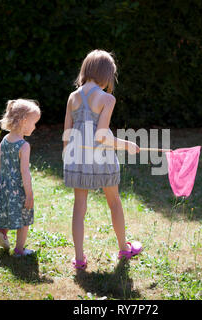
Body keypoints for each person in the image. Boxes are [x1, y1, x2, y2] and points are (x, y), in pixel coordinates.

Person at [63, 49, 142, 270]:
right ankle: (124, 249)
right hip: (103, 158)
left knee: (79, 208)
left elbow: (67, 134)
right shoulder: (107, 98)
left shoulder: (73, 97)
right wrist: (127, 145)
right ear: (107, 75)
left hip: (78, 159)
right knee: (114, 202)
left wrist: (68, 158)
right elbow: (102, 135)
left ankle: (79, 259)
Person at [0, 98, 41, 257]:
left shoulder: (5, 140)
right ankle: (19, 249)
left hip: (5, 186)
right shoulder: (24, 146)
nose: (35, 126)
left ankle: (2, 232)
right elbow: (25, 172)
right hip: (18, 188)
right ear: (24, 121)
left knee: (6, 211)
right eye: (34, 123)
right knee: (24, 217)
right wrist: (29, 193)